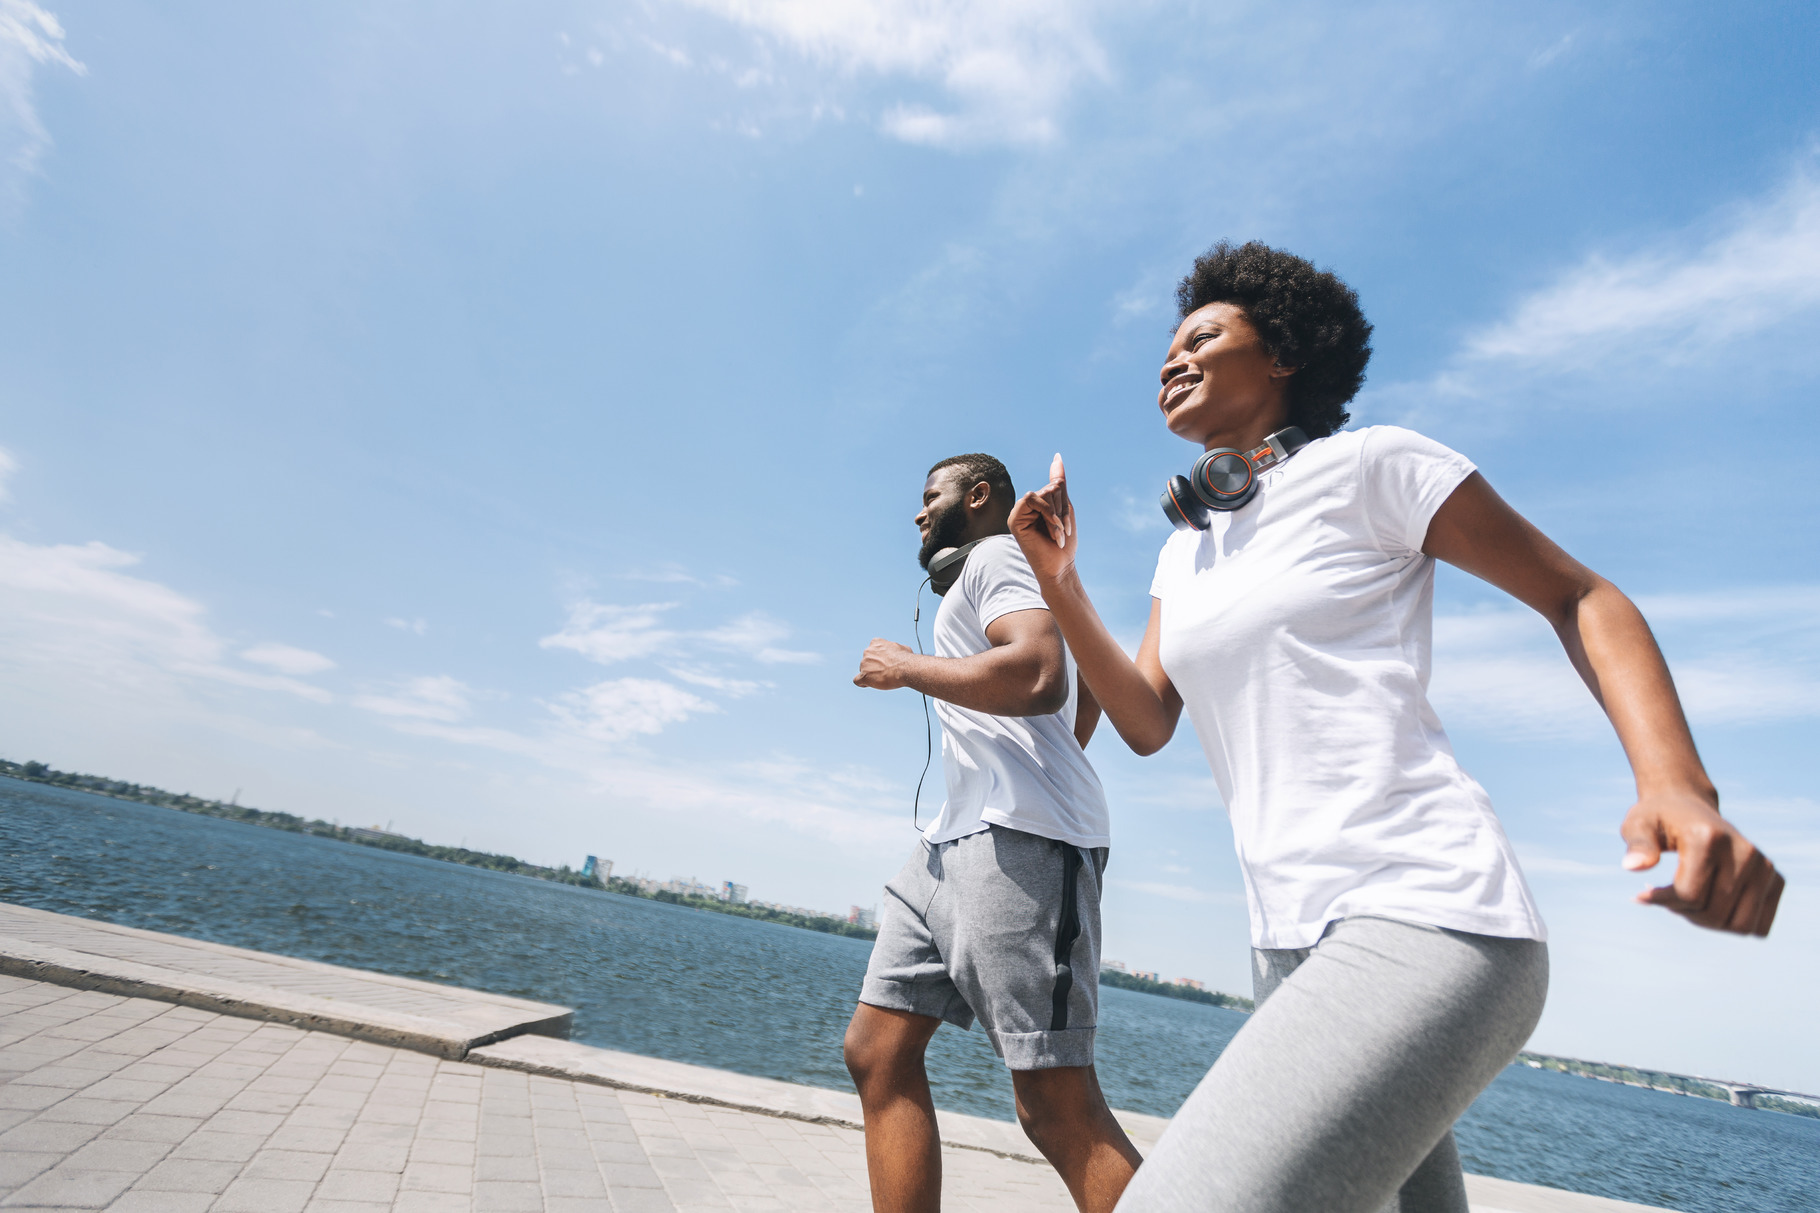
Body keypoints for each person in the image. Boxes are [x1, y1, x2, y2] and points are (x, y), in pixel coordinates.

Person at [1008, 241, 1785, 1213]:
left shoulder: (1370, 465)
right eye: (1168, 345)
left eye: (1202, 336)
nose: (1173, 356)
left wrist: (1677, 787)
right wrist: (1060, 581)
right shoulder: (1185, 553)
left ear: (1282, 355)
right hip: (1287, 944)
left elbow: (1578, 595)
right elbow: (1145, 720)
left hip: (1426, 916)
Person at [846, 452, 1144, 1213]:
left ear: (978, 496)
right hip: (946, 846)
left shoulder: (998, 556)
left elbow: (1040, 673)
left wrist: (907, 665)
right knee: (877, 1054)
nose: (918, 512)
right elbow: (1081, 701)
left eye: (931, 495)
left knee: (1054, 1104)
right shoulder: (999, 576)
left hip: (1020, 842)